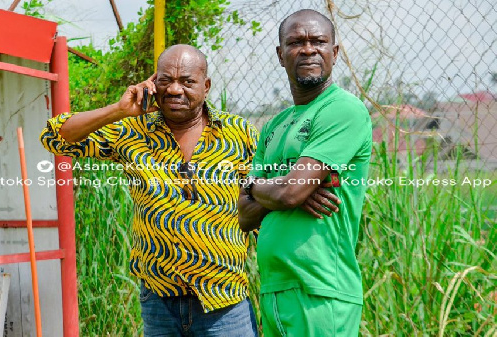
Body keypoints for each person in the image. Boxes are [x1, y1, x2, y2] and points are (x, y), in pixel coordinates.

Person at [40, 44, 260, 336]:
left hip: (224, 301)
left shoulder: (238, 134)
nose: (174, 90)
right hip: (159, 301)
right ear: (153, 84)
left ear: (205, 86)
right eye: (165, 80)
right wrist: (119, 110)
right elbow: (56, 137)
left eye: (187, 81)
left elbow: (264, 198)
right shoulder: (132, 132)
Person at [238, 9, 372, 337]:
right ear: (281, 55)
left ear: (334, 53)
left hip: (321, 290)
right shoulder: (274, 126)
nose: (308, 49)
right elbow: (244, 215)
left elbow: (290, 192)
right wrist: (266, 189)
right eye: (296, 42)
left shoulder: (342, 110)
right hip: (274, 288)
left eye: (318, 42)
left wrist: (265, 188)